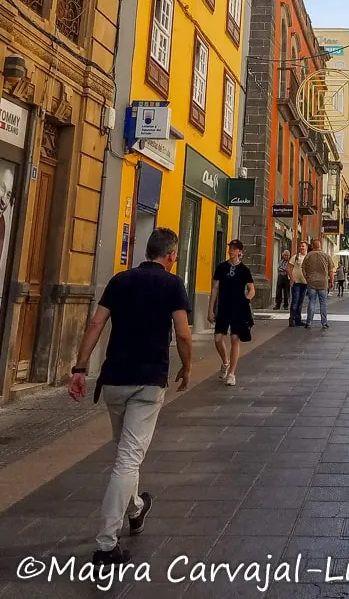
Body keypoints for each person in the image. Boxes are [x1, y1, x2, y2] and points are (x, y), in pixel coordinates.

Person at [68, 227, 192, 569]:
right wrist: (187, 367)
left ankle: (136, 508)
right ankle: (106, 544)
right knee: (127, 460)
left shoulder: (119, 281)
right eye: (175, 254)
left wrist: (79, 369)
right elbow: (183, 333)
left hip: (114, 381)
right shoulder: (172, 284)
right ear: (169, 255)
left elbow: (95, 324)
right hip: (148, 382)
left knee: (126, 452)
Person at [209, 239, 255, 387]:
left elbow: (251, 288)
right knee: (217, 339)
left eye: (235, 249)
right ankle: (225, 362)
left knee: (235, 338)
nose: (231, 251)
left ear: (240, 252)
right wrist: (211, 309)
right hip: (223, 307)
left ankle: (232, 373)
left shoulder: (244, 270)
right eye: (230, 248)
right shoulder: (222, 267)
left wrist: (247, 298)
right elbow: (215, 288)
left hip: (238, 308)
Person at [303, 238, 334, 330]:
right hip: (323, 282)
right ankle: (324, 323)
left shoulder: (308, 256)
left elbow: (303, 269)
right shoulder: (326, 256)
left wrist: (306, 278)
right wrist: (331, 281)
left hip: (311, 282)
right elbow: (331, 271)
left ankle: (309, 322)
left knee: (311, 302)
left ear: (312, 246)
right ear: (320, 246)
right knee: (323, 303)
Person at [288, 240, 309, 327]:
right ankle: (292, 318)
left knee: (300, 301)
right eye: (300, 246)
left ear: (306, 247)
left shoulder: (308, 257)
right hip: (296, 282)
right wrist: (292, 278)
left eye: (303, 246)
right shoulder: (295, 257)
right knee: (295, 300)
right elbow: (288, 268)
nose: (301, 247)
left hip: (304, 282)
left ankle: (298, 319)